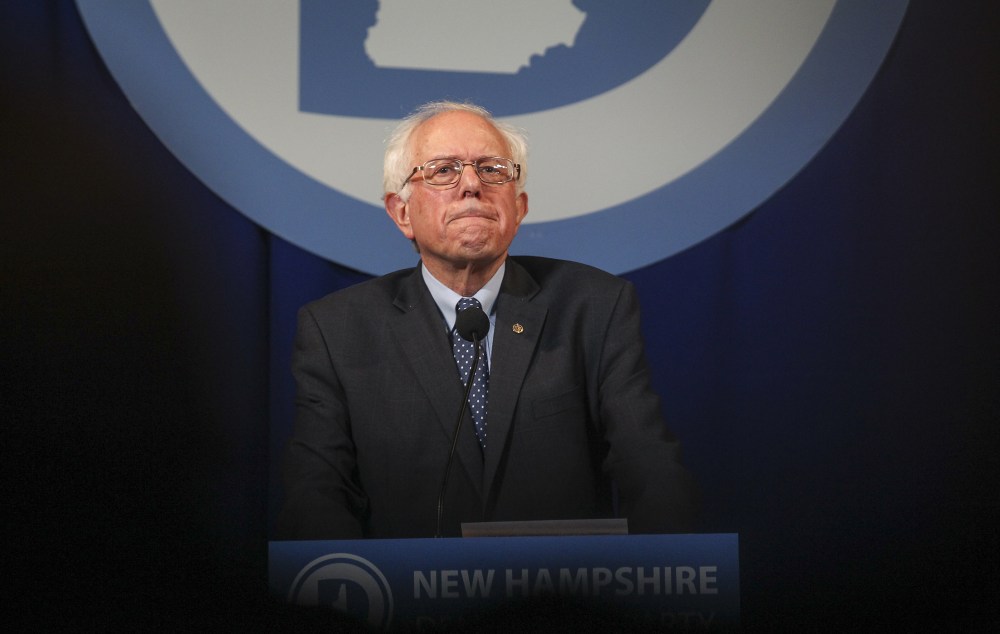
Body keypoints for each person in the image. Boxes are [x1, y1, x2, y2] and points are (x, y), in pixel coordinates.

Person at [275, 101, 697, 539]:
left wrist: (660, 578)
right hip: (405, 601)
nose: (472, 185)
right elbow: (316, 493)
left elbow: (651, 469)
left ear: (519, 208)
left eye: (493, 169)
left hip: (564, 595)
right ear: (402, 213)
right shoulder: (337, 331)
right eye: (443, 170)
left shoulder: (594, 307)